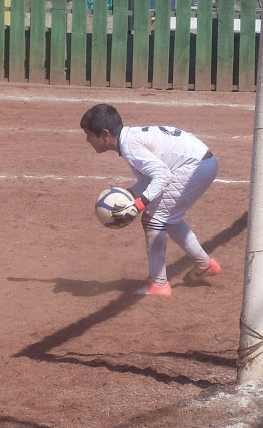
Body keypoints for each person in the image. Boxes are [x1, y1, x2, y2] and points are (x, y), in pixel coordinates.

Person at [80, 103, 220, 297]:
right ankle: (204, 264)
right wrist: (130, 194)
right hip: (201, 163)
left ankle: (159, 284)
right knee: (167, 217)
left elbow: (162, 175)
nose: (87, 140)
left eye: (89, 135)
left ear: (105, 134)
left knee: (153, 219)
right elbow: (149, 179)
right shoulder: (128, 140)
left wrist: (138, 204)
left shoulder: (130, 147)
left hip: (195, 166)